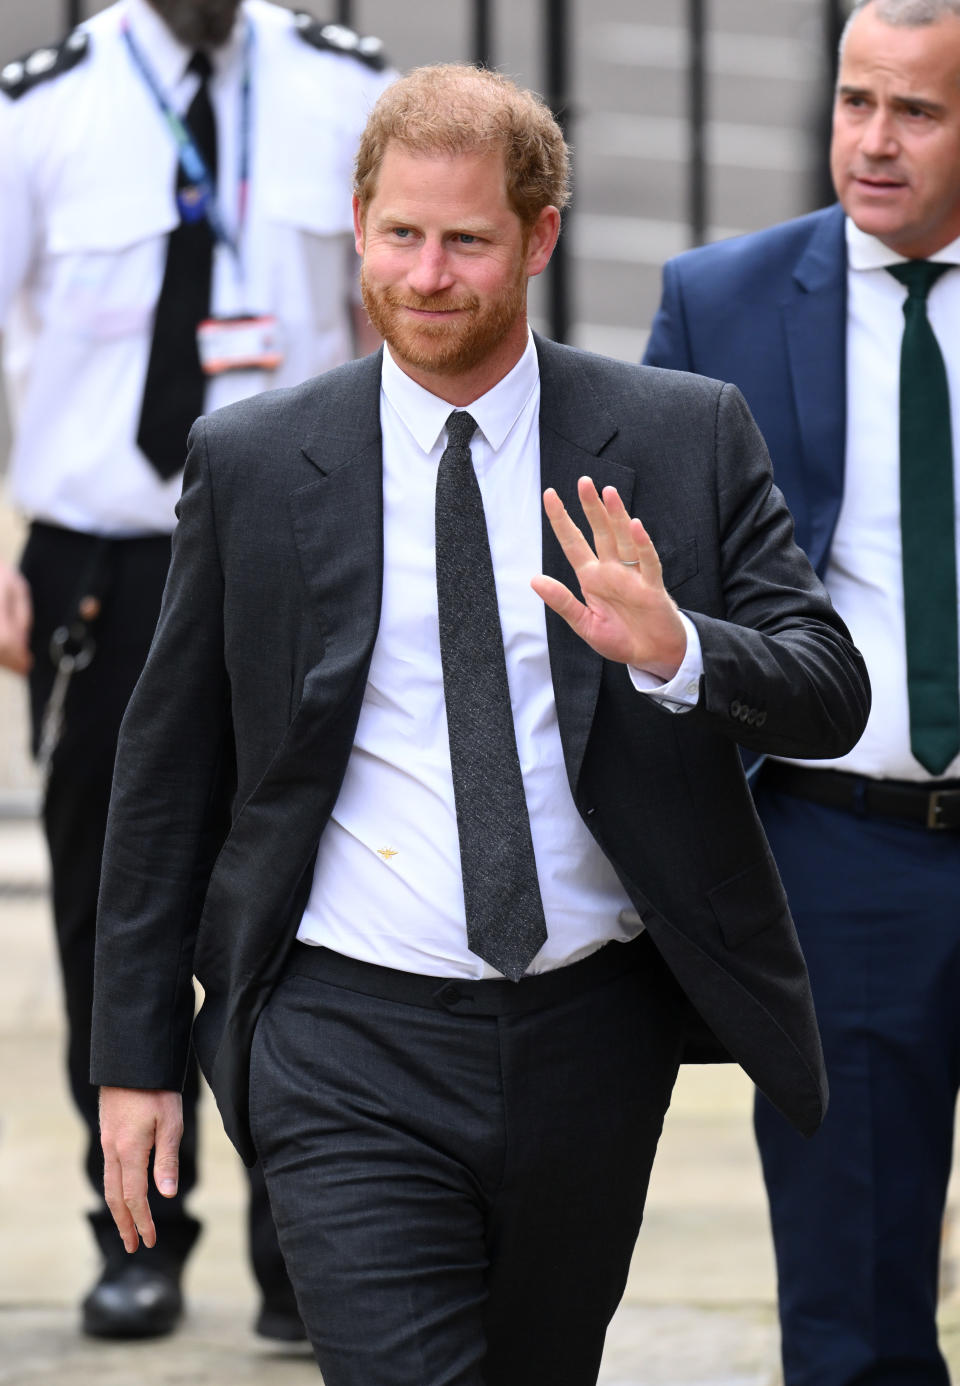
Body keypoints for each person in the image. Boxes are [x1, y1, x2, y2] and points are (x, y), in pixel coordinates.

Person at [90, 62, 869, 1386]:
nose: (429, 274)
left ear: (540, 237)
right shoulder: (258, 460)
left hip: (591, 1036)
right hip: (341, 1036)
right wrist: (132, 1055)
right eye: (401, 234)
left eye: (467, 240)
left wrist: (676, 644)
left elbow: (828, 687)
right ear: (357, 223)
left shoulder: (682, 438)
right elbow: (167, 773)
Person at [0, 0, 393, 1344]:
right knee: (119, 902)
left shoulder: (347, 89)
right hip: (103, 560)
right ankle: (137, 1231)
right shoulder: (44, 105)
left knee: (315, 896)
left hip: (309, 541)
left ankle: (310, 1250)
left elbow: (398, 304)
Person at [643, 2, 960, 1382]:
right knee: (852, 1305)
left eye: (919, 111)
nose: (872, 142)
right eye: (854, 101)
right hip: (843, 857)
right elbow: (636, 588)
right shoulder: (721, 301)